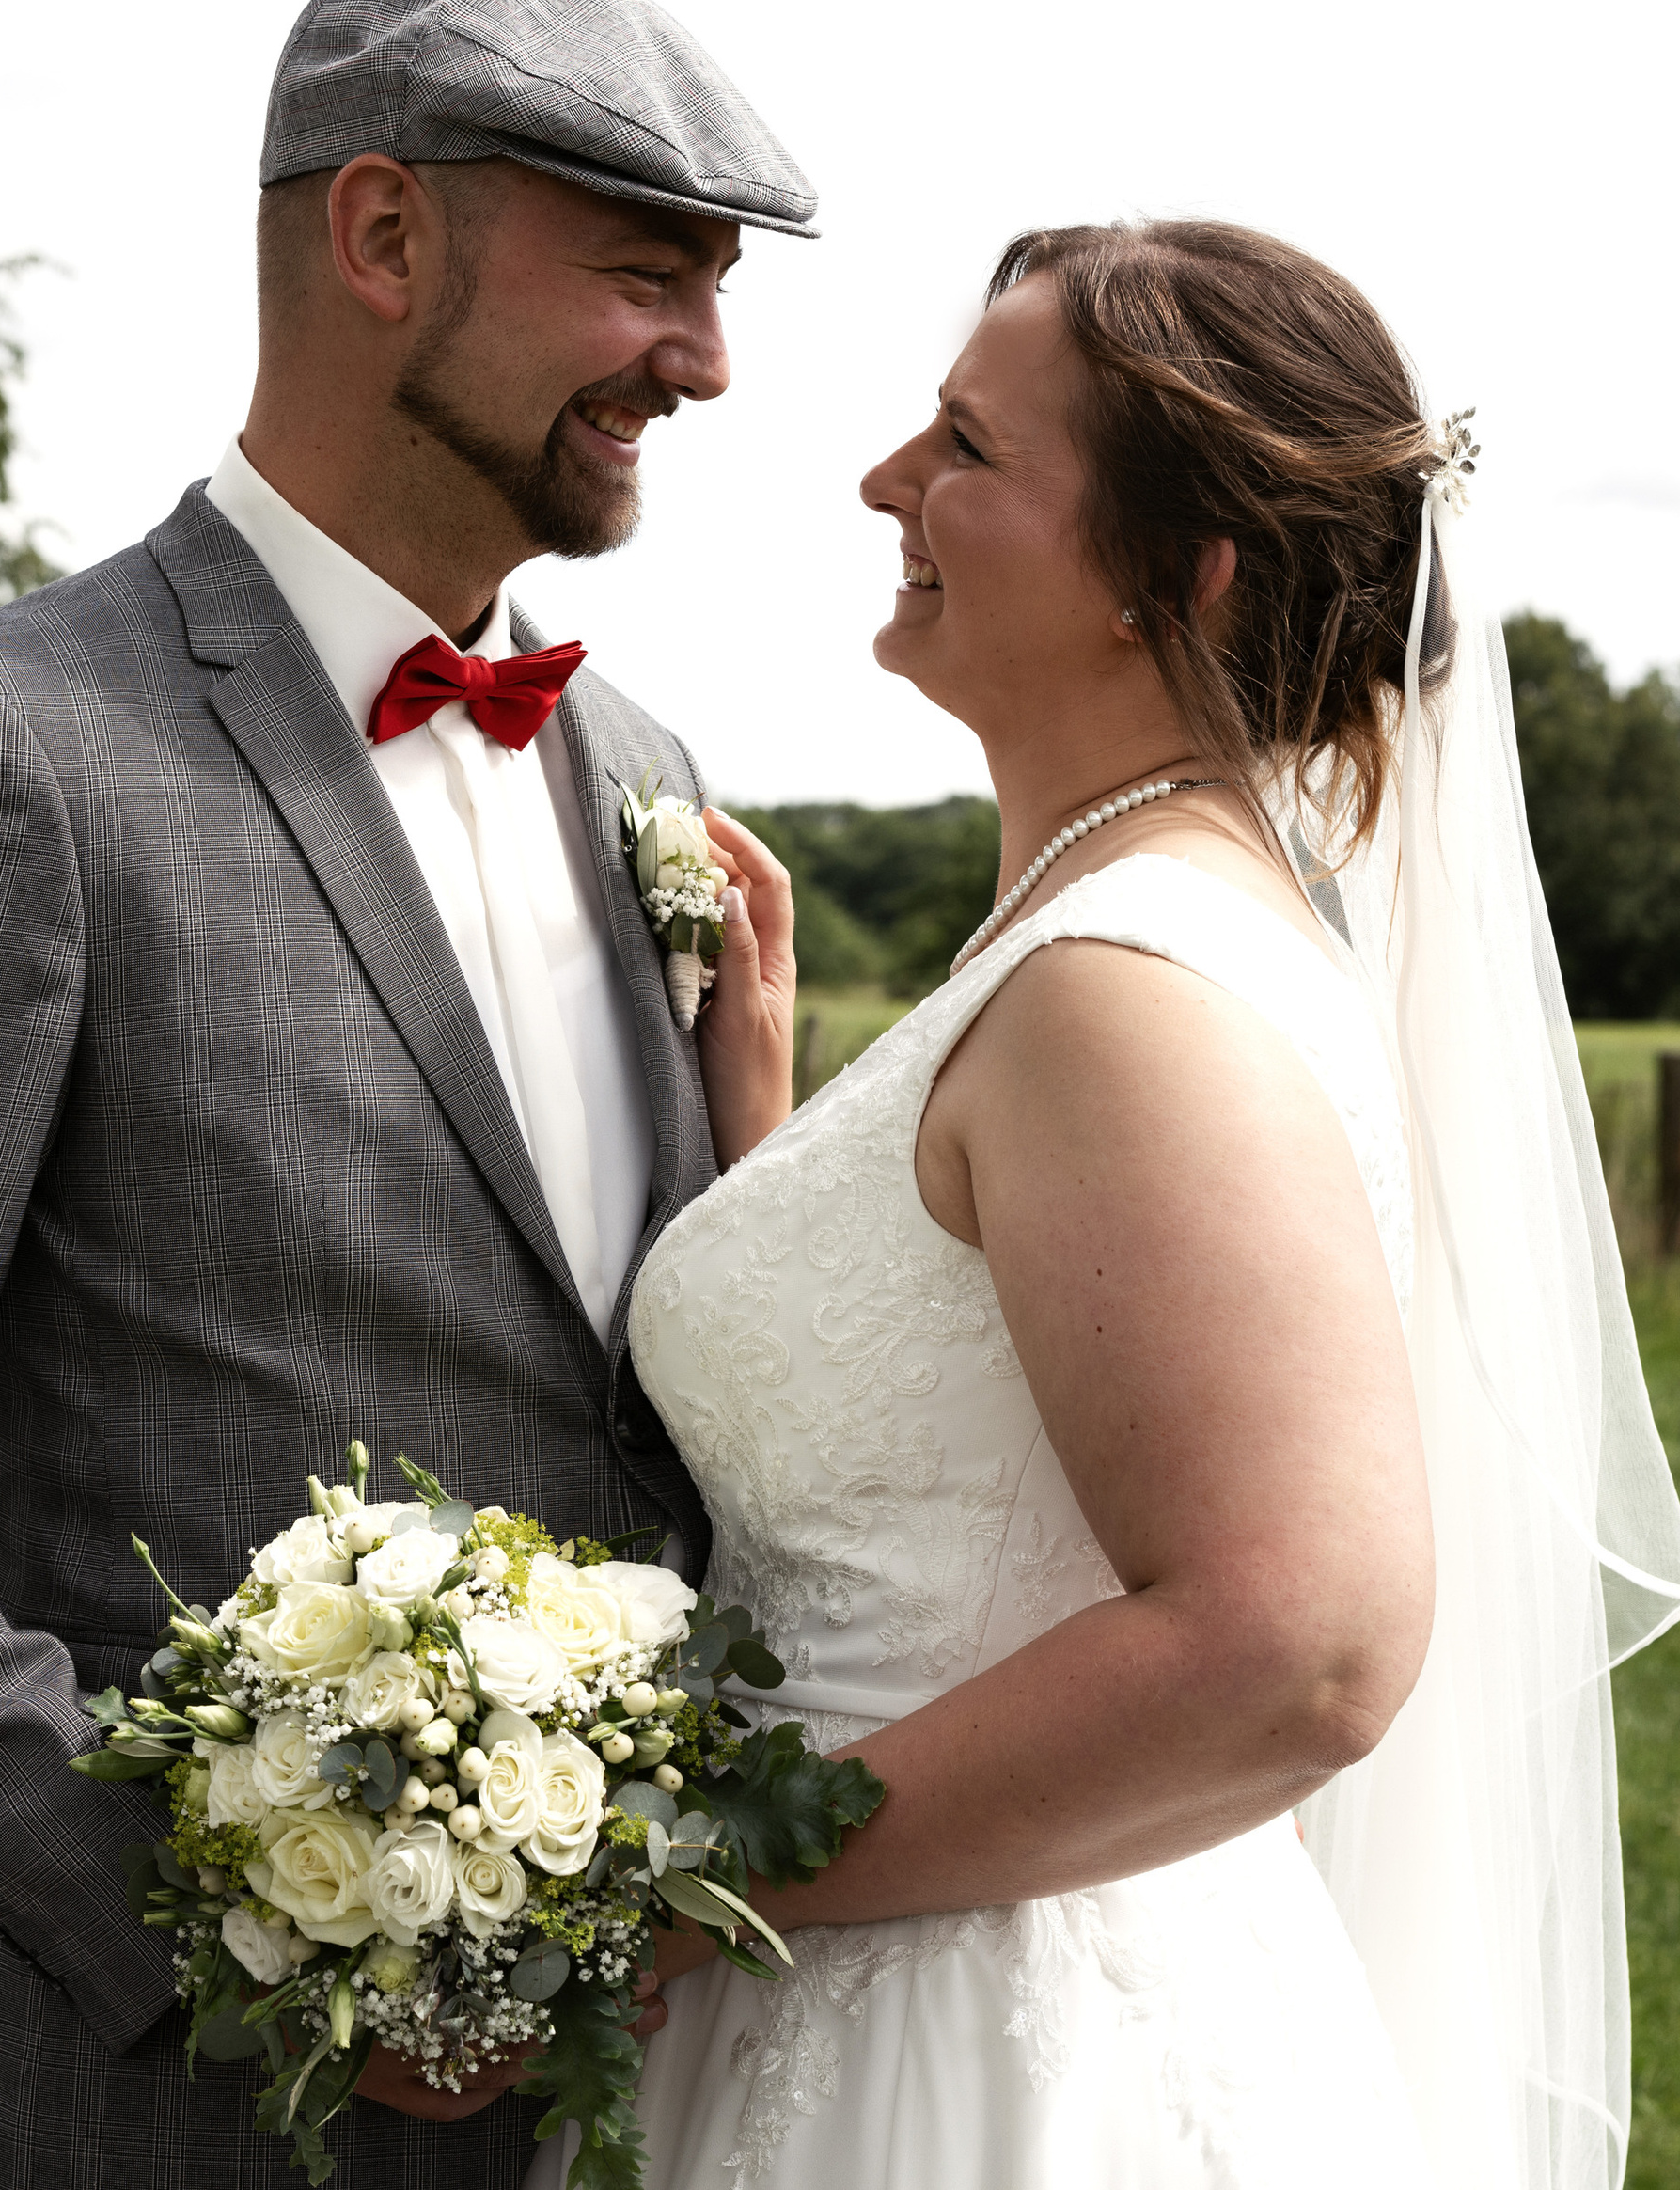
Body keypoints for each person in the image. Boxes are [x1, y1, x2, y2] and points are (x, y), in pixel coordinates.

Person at [0, 0, 807, 2190]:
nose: (707, 360)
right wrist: (234, 1920)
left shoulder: (647, 773)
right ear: (380, 235)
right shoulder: (9, 751)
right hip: (136, 2108)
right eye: (647, 276)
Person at [569, 220, 1680, 2189]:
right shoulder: (1098, 928)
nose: (883, 480)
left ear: (1174, 576)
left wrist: (701, 1878)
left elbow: (1297, 1639)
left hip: (974, 2047)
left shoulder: (1124, 986)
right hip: (890, 1970)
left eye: (966, 448)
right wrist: (767, 1162)